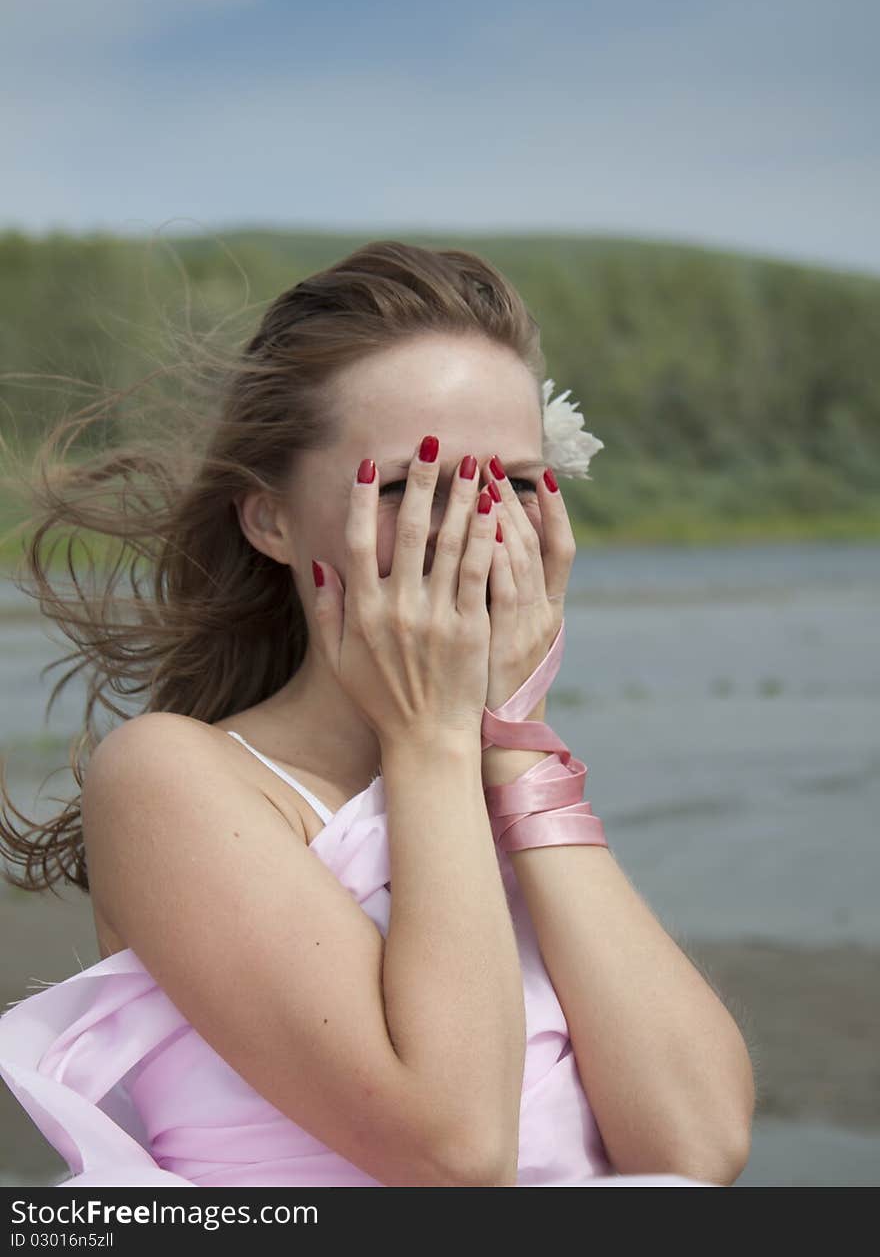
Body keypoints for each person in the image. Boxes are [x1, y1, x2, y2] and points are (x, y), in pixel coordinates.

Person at [0, 240, 752, 1186]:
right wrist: (431, 738)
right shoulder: (171, 777)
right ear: (270, 520)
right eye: (408, 484)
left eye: (514, 484)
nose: (473, 529)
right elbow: (453, 1152)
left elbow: (698, 1146)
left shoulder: (505, 796)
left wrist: (516, 743)